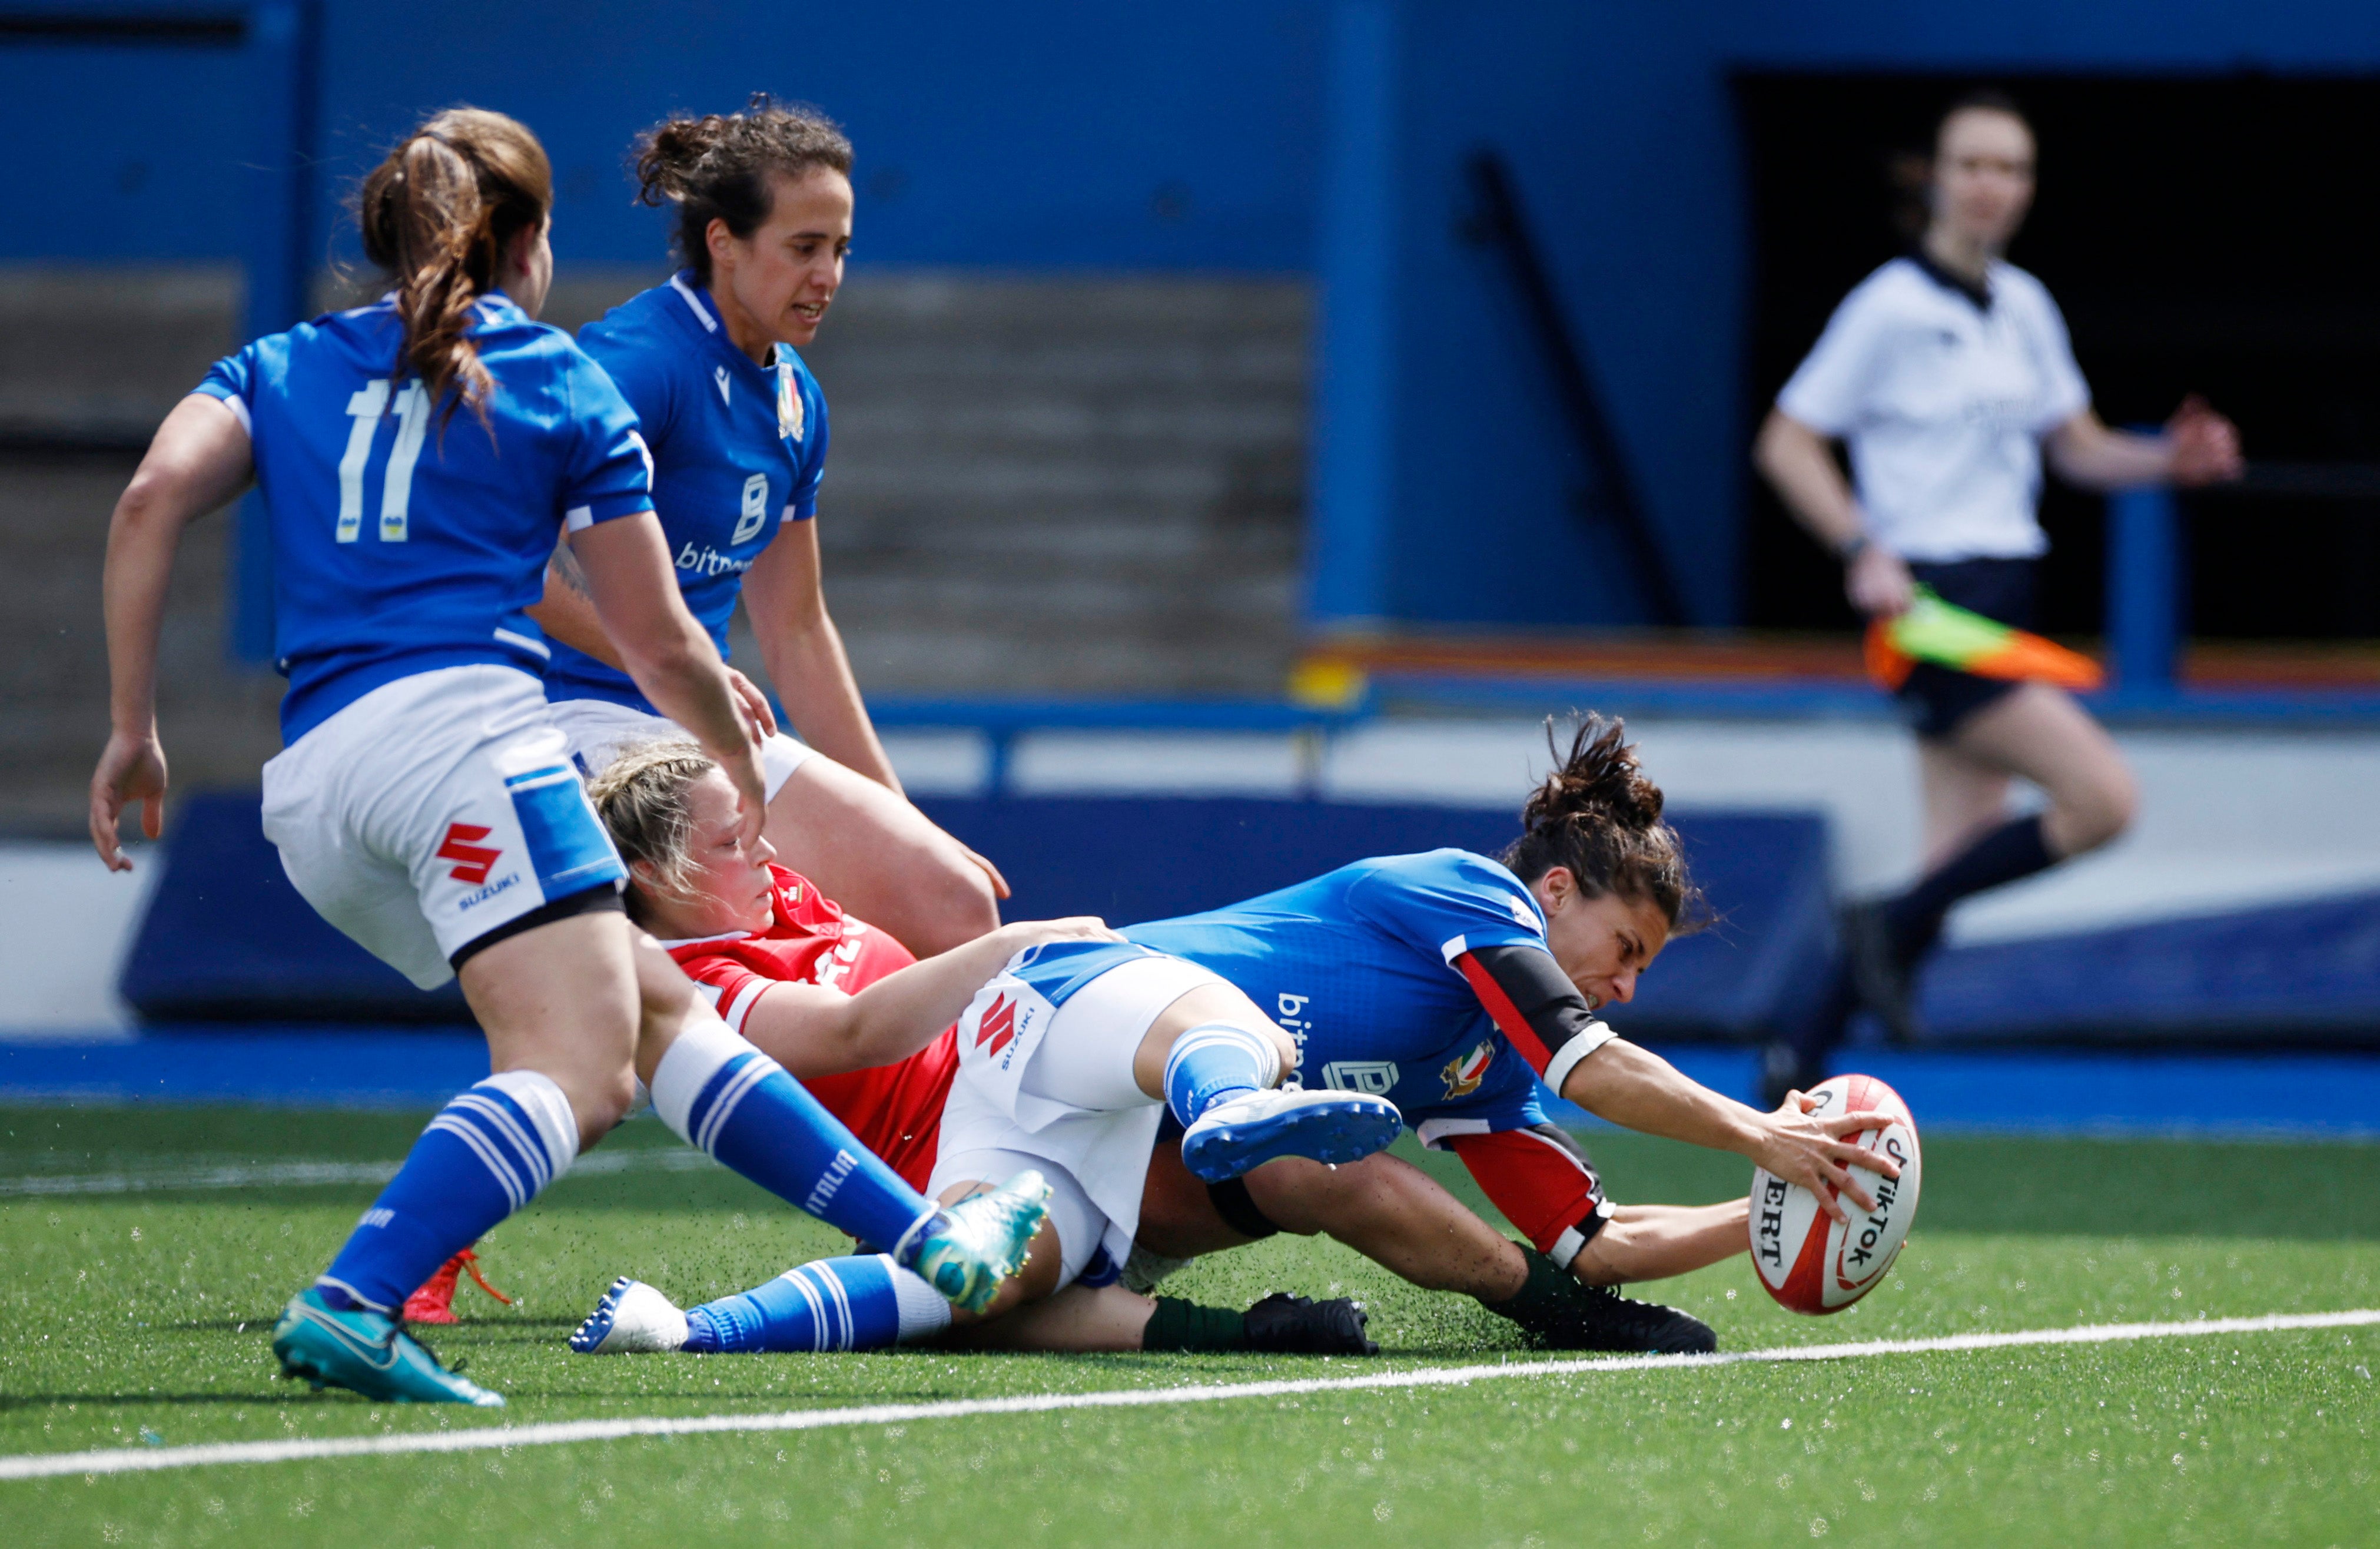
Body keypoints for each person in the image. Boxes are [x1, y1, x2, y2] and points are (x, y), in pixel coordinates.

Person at [85, 109, 1050, 1407]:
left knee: (647, 1006)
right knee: (582, 1062)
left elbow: (147, 500)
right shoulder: (562, 375)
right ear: (528, 243)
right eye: (806, 242)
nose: (829, 270)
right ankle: (360, 1295)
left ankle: (929, 1240)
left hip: (312, 781)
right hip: (479, 745)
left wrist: (131, 727)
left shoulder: (279, 362)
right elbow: (657, 639)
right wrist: (729, 756)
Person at [568, 719, 1901, 1359]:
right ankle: (1236, 1108)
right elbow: (1592, 1065)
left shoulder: (1487, 1056)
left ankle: (701, 1334)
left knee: (992, 1282)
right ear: (1554, 894)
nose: (1622, 984)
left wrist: (1769, 1195)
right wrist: (1765, 1123)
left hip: (1059, 1141)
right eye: (1626, 950)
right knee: (1273, 1096)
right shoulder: (1476, 897)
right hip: (1074, 1017)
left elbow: (1589, 1222)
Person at [1752, 88, 2243, 1084]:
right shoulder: (1889, 305)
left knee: (1953, 860)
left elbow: (2080, 449)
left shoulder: (2025, 306)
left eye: (2012, 169)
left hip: (2007, 597)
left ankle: (1792, 1065)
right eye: (1974, 164)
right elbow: (1787, 440)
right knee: (2103, 798)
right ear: (1936, 177)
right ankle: (1878, 925)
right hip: (1930, 608)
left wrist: (2169, 462)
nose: (1993, 186)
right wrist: (1861, 544)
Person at [528, 95, 1003, 958]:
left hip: (693, 724)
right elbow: (501, 558)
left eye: (841, 250)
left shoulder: (794, 399)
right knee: (730, 972)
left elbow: (796, 629)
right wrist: (667, 660)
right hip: (571, 719)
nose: (828, 276)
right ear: (723, 243)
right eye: (804, 248)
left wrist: (901, 822)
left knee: (951, 903)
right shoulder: (637, 367)